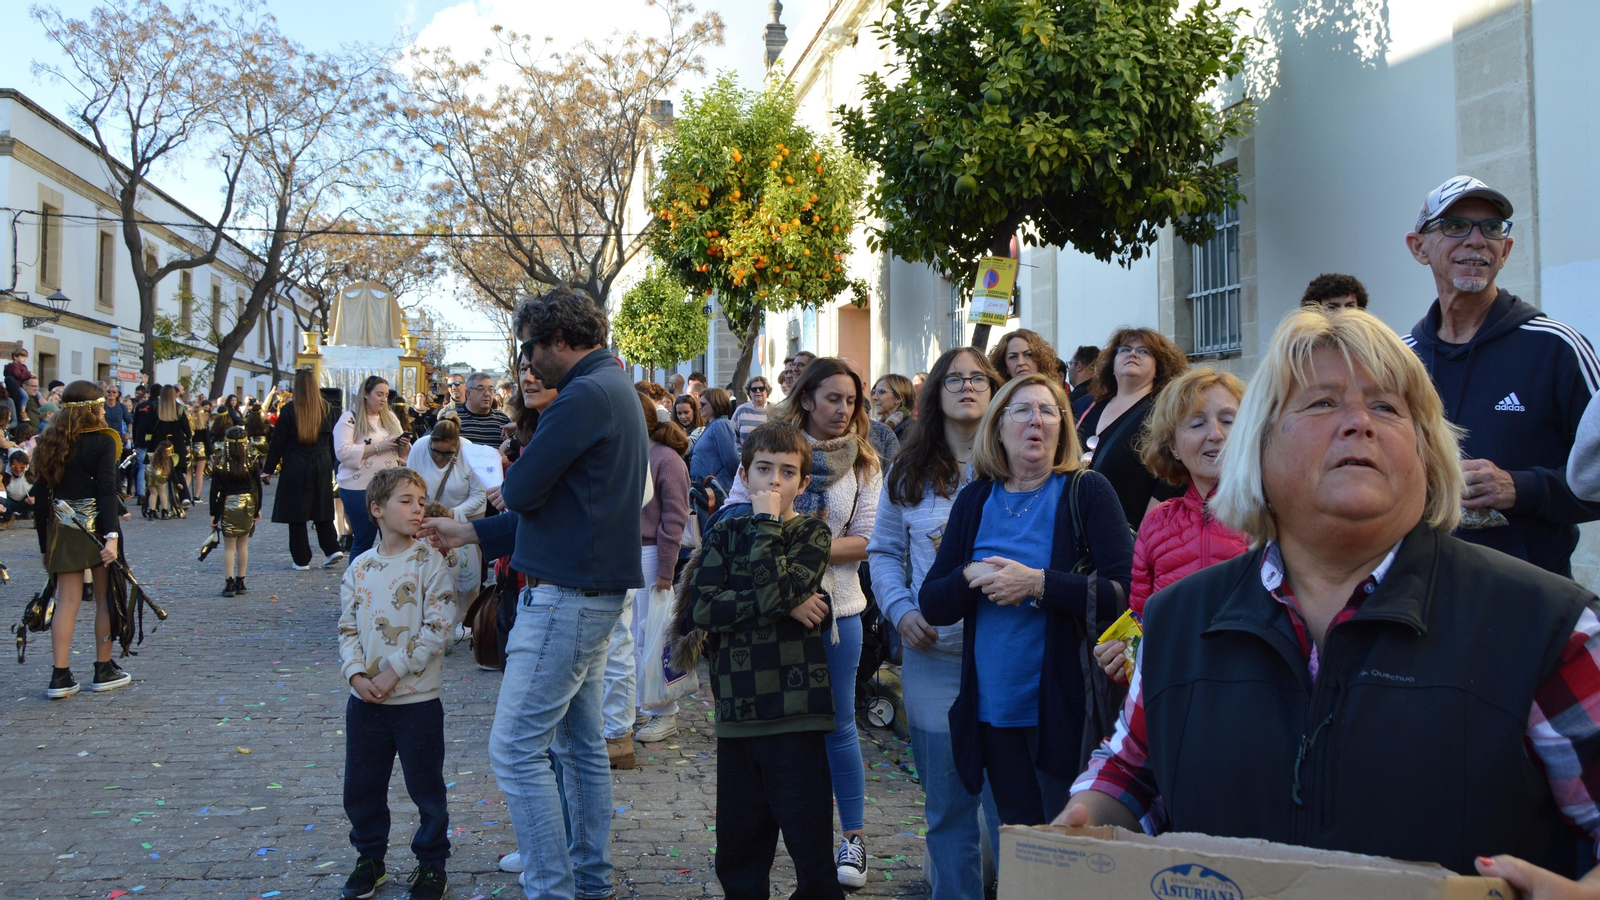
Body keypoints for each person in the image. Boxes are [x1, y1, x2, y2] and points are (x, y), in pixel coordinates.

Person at [1062, 307, 1600, 894]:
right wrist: (1082, 821)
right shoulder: (1177, 620)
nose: (1359, 423)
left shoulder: (1550, 628)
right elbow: (1129, 772)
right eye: (1322, 402)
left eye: (1388, 407)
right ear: (1259, 447)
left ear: (1426, 452)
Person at [417, 285, 646, 900]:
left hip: (567, 597)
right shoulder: (609, 385)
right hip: (586, 592)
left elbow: (519, 494)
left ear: (560, 342)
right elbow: (556, 508)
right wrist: (467, 530)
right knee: (578, 749)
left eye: (531, 348)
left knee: (516, 751)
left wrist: (502, 494)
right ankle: (587, 882)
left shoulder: (583, 394)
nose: (527, 362)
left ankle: (553, 888)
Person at [918, 373, 1134, 827]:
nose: (1036, 420)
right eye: (1022, 410)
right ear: (998, 426)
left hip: (1066, 710)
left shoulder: (1086, 491)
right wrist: (968, 575)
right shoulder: (976, 498)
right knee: (1019, 836)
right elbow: (934, 603)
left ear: (1062, 427)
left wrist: (1038, 584)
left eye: (1047, 411)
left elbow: (1125, 592)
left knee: (1067, 842)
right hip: (994, 709)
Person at [670, 421, 844, 900]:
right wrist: (784, 604)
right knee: (741, 847)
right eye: (763, 469)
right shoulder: (725, 533)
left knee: (809, 844)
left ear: (803, 484)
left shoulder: (811, 533)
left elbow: (772, 588)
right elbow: (703, 609)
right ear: (743, 475)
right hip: (739, 712)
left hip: (796, 713)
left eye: (787, 472)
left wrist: (768, 536)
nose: (773, 481)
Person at [1401, 175, 1600, 577]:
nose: (1477, 240)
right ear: (1419, 247)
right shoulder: (1399, 359)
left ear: (1505, 251)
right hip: (1418, 595)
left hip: (1529, 600)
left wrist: (1521, 488)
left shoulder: (1557, 348)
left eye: (1491, 228)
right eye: (1456, 225)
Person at [866, 348, 1004, 900]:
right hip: (935, 660)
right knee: (947, 808)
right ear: (934, 393)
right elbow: (882, 552)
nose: (967, 386)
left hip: (1008, 658)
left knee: (1010, 813)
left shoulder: (1021, 463)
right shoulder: (909, 470)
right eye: (955, 378)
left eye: (978, 378)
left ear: (994, 390)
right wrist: (901, 611)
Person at [337, 466, 458, 900]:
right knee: (362, 787)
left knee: (426, 787)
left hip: (416, 701)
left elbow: (439, 624)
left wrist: (394, 670)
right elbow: (347, 629)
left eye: (420, 502)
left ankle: (431, 863)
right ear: (376, 509)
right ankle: (370, 857)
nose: (416, 509)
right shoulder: (360, 568)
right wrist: (355, 674)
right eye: (405, 501)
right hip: (366, 703)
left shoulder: (430, 562)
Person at [1092, 368, 1249, 685]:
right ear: (1174, 446)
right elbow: (1141, 622)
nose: (1216, 434)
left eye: (1228, 420)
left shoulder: (1272, 515)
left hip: (1251, 701)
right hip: (1174, 702)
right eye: (1197, 423)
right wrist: (1123, 658)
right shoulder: (1157, 522)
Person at [27, 382, 132, 698]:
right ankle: (103, 668)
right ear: (95, 408)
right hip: (97, 527)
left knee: (67, 602)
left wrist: (46, 545)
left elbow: (42, 501)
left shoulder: (49, 441)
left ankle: (60, 675)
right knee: (104, 599)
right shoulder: (102, 441)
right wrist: (112, 536)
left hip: (62, 527)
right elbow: (106, 492)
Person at [1074, 327, 1189, 529]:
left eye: (1144, 351)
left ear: (1159, 367)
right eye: (1125, 349)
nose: (1133, 354)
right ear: (1112, 361)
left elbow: (1171, 481)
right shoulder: (1087, 406)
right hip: (1076, 532)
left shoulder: (1165, 413)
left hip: (1128, 537)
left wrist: (1143, 541)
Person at [631, 392, 691, 746]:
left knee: (654, 637)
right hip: (635, 553)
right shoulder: (643, 453)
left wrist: (666, 571)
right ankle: (649, 705)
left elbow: (675, 517)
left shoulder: (666, 458)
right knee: (639, 638)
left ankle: (664, 713)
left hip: (653, 555)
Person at [264, 368, 345, 570]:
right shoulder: (328, 408)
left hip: (295, 463)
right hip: (322, 462)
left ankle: (301, 559)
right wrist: (337, 465)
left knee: (296, 512)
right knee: (322, 506)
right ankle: (331, 548)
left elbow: (278, 442)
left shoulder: (290, 410)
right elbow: (335, 441)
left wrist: (268, 468)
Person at [335, 376, 413, 559]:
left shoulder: (391, 418)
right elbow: (343, 452)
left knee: (393, 539)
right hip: (358, 488)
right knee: (363, 539)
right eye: (379, 394)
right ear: (365, 394)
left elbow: (403, 454)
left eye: (386, 395)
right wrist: (379, 447)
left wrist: (403, 445)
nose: (384, 399)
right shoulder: (350, 419)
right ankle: (358, 584)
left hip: (389, 487)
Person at [210, 425, 262, 597]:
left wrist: (214, 513)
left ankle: (229, 583)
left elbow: (214, 490)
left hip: (228, 503)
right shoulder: (252, 460)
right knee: (243, 545)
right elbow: (258, 487)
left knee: (229, 547)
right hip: (247, 502)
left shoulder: (220, 461)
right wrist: (257, 509)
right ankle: (241, 581)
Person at [406, 414, 487, 520]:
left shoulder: (469, 452)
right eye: (435, 451)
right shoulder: (419, 448)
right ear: (430, 442)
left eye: (448, 453)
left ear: (457, 445)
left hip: (468, 514)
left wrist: (454, 512)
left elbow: (479, 494)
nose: (440, 457)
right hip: (428, 514)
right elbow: (410, 485)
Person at [150, 385, 192, 508]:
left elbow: (148, 427)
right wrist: (187, 439)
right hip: (176, 444)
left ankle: (155, 502)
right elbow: (186, 429)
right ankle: (184, 497)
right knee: (177, 471)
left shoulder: (155, 408)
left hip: (159, 444)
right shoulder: (179, 409)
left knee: (157, 472)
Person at [689, 387, 739, 492]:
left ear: (716, 404)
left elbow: (730, 459)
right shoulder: (713, 425)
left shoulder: (720, 425)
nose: (699, 408)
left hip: (716, 489)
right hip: (707, 488)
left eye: (703, 404)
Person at [453, 372, 512, 449]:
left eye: (490, 389)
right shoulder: (452, 418)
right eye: (480, 389)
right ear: (468, 394)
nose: (487, 394)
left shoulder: (502, 421)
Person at [988, 328, 1062, 388]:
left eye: (1028, 355)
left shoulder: (1055, 397)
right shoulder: (996, 403)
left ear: (1040, 360)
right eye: (1013, 357)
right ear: (1005, 366)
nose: (1021, 362)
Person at [729, 375, 772, 450]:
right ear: (749, 392)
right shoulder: (741, 410)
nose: (758, 391)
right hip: (746, 458)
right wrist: (740, 453)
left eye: (761, 388)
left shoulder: (775, 410)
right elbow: (730, 436)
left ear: (767, 391)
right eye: (754, 389)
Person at [870, 374, 916, 441]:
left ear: (898, 398)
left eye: (881, 392)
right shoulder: (880, 426)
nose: (874, 397)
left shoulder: (909, 429)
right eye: (874, 392)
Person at [145, 441, 179, 519]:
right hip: (161, 475)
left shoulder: (152, 456)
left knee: (153, 493)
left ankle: (152, 512)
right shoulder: (168, 459)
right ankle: (164, 512)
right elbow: (172, 472)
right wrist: (177, 482)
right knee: (162, 493)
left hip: (150, 475)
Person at [1301, 272, 1369, 311]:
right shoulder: (1303, 335)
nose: (1343, 312)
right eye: (1332, 307)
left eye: (1350, 306)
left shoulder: (1373, 335)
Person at [2, 450, 34, 527]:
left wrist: (36, 497)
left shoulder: (33, 472)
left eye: (22, 467)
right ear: (10, 465)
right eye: (15, 467)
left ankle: (38, 520)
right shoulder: (3, 472)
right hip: (9, 502)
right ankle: (8, 517)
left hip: (27, 501)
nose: (18, 470)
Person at [1066, 345, 1099, 411]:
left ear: (1079, 366)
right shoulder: (1103, 393)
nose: (1068, 370)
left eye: (1070, 364)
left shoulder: (1077, 397)